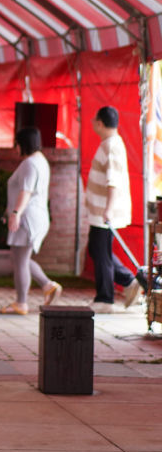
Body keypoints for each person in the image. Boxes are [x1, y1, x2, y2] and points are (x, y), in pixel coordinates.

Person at [0, 127, 62, 315]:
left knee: (20, 261)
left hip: (27, 217)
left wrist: (16, 213)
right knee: (21, 259)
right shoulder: (40, 161)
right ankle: (47, 285)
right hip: (35, 216)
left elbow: (25, 191)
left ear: (22, 144)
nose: (15, 149)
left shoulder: (29, 164)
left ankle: (21, 302)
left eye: (16, 144)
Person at [86, 105, 141, 313]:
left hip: (104, 212)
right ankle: (128, 281)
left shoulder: (111, 146)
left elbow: (113, 181)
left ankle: (105, 298)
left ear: (100, 123)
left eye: (94, 120)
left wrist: (108, 209)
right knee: (99, 250)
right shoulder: (110, 143)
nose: (92, 123)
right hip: (100, 211)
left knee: (100, 251)